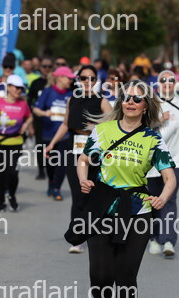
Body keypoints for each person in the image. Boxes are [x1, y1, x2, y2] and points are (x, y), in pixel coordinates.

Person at [76, 80, 176, 298]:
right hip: (103, 208)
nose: (131, 102)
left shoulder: (152, 139)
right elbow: (84, 160)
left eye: (137, 99)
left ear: (145, 106)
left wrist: (162, 198)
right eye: (127, 98)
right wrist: (83, 179)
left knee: (126, 274)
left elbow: (169, 177)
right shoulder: (102, 131)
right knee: (99, 274)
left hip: (137, 211)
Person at [45, 65, 112, 253]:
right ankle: (77, 238)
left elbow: (113, 127)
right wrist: (52, 144)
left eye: (91, 78)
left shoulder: (102, 101)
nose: (87, 82)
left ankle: (96, 232)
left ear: (96, 80)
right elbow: (65, 125)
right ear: (78, 80)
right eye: (83, 78)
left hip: (95, 152)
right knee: (78, 194)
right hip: (73, 149)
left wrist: (96, 128)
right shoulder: (72, 99)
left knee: (93, 194)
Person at [147, 70, 179, 257]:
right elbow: (142, 128)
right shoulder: (151, 103)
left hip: (177, 158)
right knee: (154, 199)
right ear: (158, 83)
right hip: (153, 160)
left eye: (171, 80)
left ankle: (168, 241)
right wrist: (159, 120)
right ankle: (153, 238)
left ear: (176, 84)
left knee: (169, 197)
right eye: (163, 80)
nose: (167, 83)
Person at [0, 74, 33, 212]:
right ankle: (1, 201)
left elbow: (30, 117)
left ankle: (12, 195)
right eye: (16, 88)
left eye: (21, 89)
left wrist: (25, 126)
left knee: (13, 172)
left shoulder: (23, 104)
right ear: (8, 87)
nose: (19, 91)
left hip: (15, 142)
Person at [32, 66, 75, 200]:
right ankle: (51, 182)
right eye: (68, 78)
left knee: (61, 163)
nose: (70, 81)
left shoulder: (71, 94)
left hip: (65, 136)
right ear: (60, 78)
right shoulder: (48, 91)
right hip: (48, 134)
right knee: (50, 164)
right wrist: (45, 113)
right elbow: (36, 109)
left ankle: (57, 189)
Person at [28, 56, 53, 180]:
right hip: (39, 120)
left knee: (52, 145)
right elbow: (29, 102)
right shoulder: (36, 83)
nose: (46, 69)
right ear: (40, 68)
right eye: (44, 66)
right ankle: (41, 170)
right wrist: (30, 123)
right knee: (39, 145)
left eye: (49, 66)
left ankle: (51, 169)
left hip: (52, 120)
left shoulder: (54, 84)